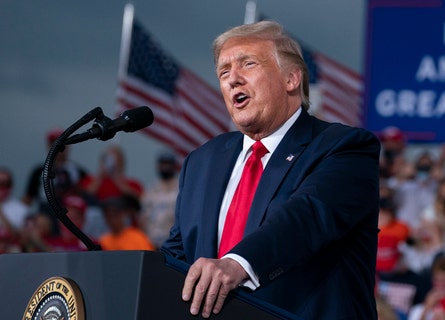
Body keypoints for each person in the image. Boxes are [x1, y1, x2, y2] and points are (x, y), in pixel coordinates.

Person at [160, 21, 380, 319]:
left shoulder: (344, 147)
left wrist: (237, 264)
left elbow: (306, 217)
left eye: (247, 64)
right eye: (223, 72)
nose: (232, 79)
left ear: (291, 79)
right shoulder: (202, 161)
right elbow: (178, 253)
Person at [140, 150, 180, 248]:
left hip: (173, 244)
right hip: (152, 243)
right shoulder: (151, 190)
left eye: (168, 163)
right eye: (163, 163)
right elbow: (143, 217)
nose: (165, 167)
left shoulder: (181, 188)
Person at [0, 167, 29, 253]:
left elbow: (18, 236)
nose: (2, 187)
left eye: (6, 183)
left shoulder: (21, 208)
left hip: (11, 252)